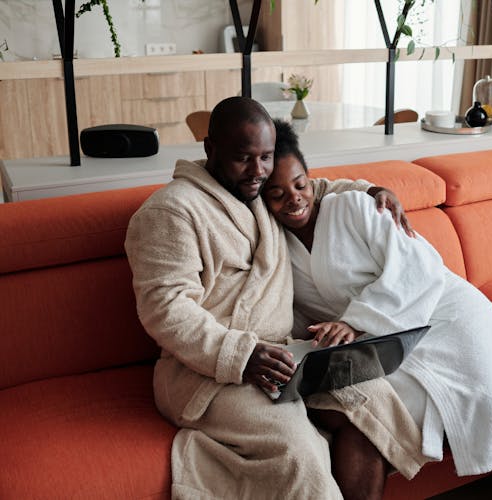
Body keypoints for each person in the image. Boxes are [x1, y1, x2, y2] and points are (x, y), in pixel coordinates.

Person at [262, 120, 492, 500]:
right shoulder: (277, 247)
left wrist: (354, 320)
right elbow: (301, 311)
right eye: (277, 194)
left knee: (489, 393)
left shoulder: (354, 207)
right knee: (398, 410)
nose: (294, 199)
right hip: (379, 338)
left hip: (444, 311)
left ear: (311, 178)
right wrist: (321, 335)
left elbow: (418, 269)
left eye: (300, 184)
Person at [124, 96, 423, 500]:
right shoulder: (170, 212)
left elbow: (313, 189)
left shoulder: (262, 192)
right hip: (208, 372)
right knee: (297, 451)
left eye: (265, 157)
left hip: (287, 356)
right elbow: (165, 309)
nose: (258, 171)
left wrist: (371, 190)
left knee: (371, 409)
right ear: (210, 149)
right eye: (244, 158)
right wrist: (241, 356)